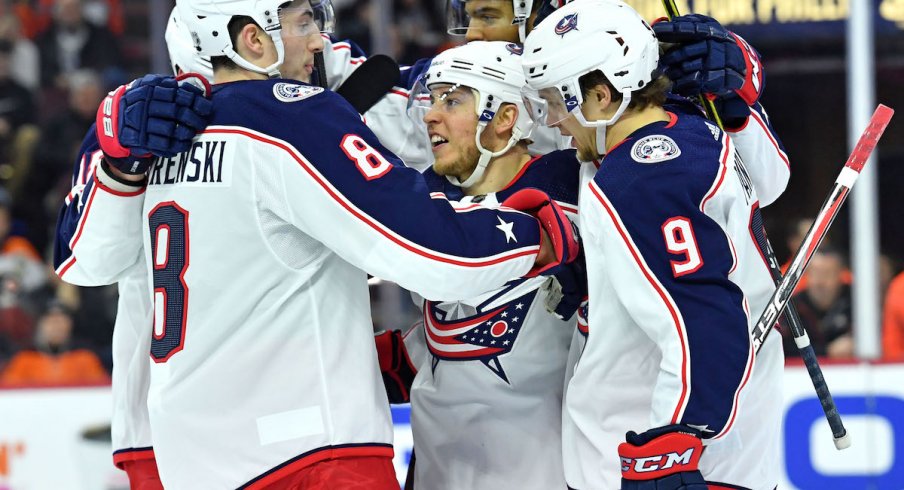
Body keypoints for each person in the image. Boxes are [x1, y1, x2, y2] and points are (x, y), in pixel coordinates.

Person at [64, 0, 577, 488]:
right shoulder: (292, 115)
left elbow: (82, 262)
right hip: (308, 446)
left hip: (180, 448)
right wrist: (542, 235)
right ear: (252, 38)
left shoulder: (134, 123)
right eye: (305, 22)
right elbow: (430, 250)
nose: (320, 40)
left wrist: (112, 165)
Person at [522, 1, 784, 488]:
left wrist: (671, 447)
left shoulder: (640, 177)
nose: (553, 122)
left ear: (602, 96)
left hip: (669, 455)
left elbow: (702, 322)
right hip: (699, 446)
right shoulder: (695, 132)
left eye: (557, 103)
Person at [382, 40, 582, 489]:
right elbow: (450, 329)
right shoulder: (419, 204)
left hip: (545, 471)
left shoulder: (580, 190)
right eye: (432, 100)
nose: (432, 114)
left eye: (452, 100)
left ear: (505, 117)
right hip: (441, 468)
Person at [53, 8, 214, 488]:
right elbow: (78, 260)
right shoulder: (139, 112)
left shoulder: (309, 111)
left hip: (266, 414)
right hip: (165, 422)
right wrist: (120, 163)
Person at [0, 299, 108, 386]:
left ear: (70, 325)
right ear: (40, 325)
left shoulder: (85, 358)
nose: (56, 326)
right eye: (51, 321)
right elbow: (10, 394)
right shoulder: (24, 360)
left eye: (61, 321)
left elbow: (100, 392)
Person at [785, 247, 853, 359]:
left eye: (827, 274)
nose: (820, 281)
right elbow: (785, 352)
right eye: (814, 273)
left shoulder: (857, 303)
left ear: (841, 275)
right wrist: (828, 352)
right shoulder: (791, 307)